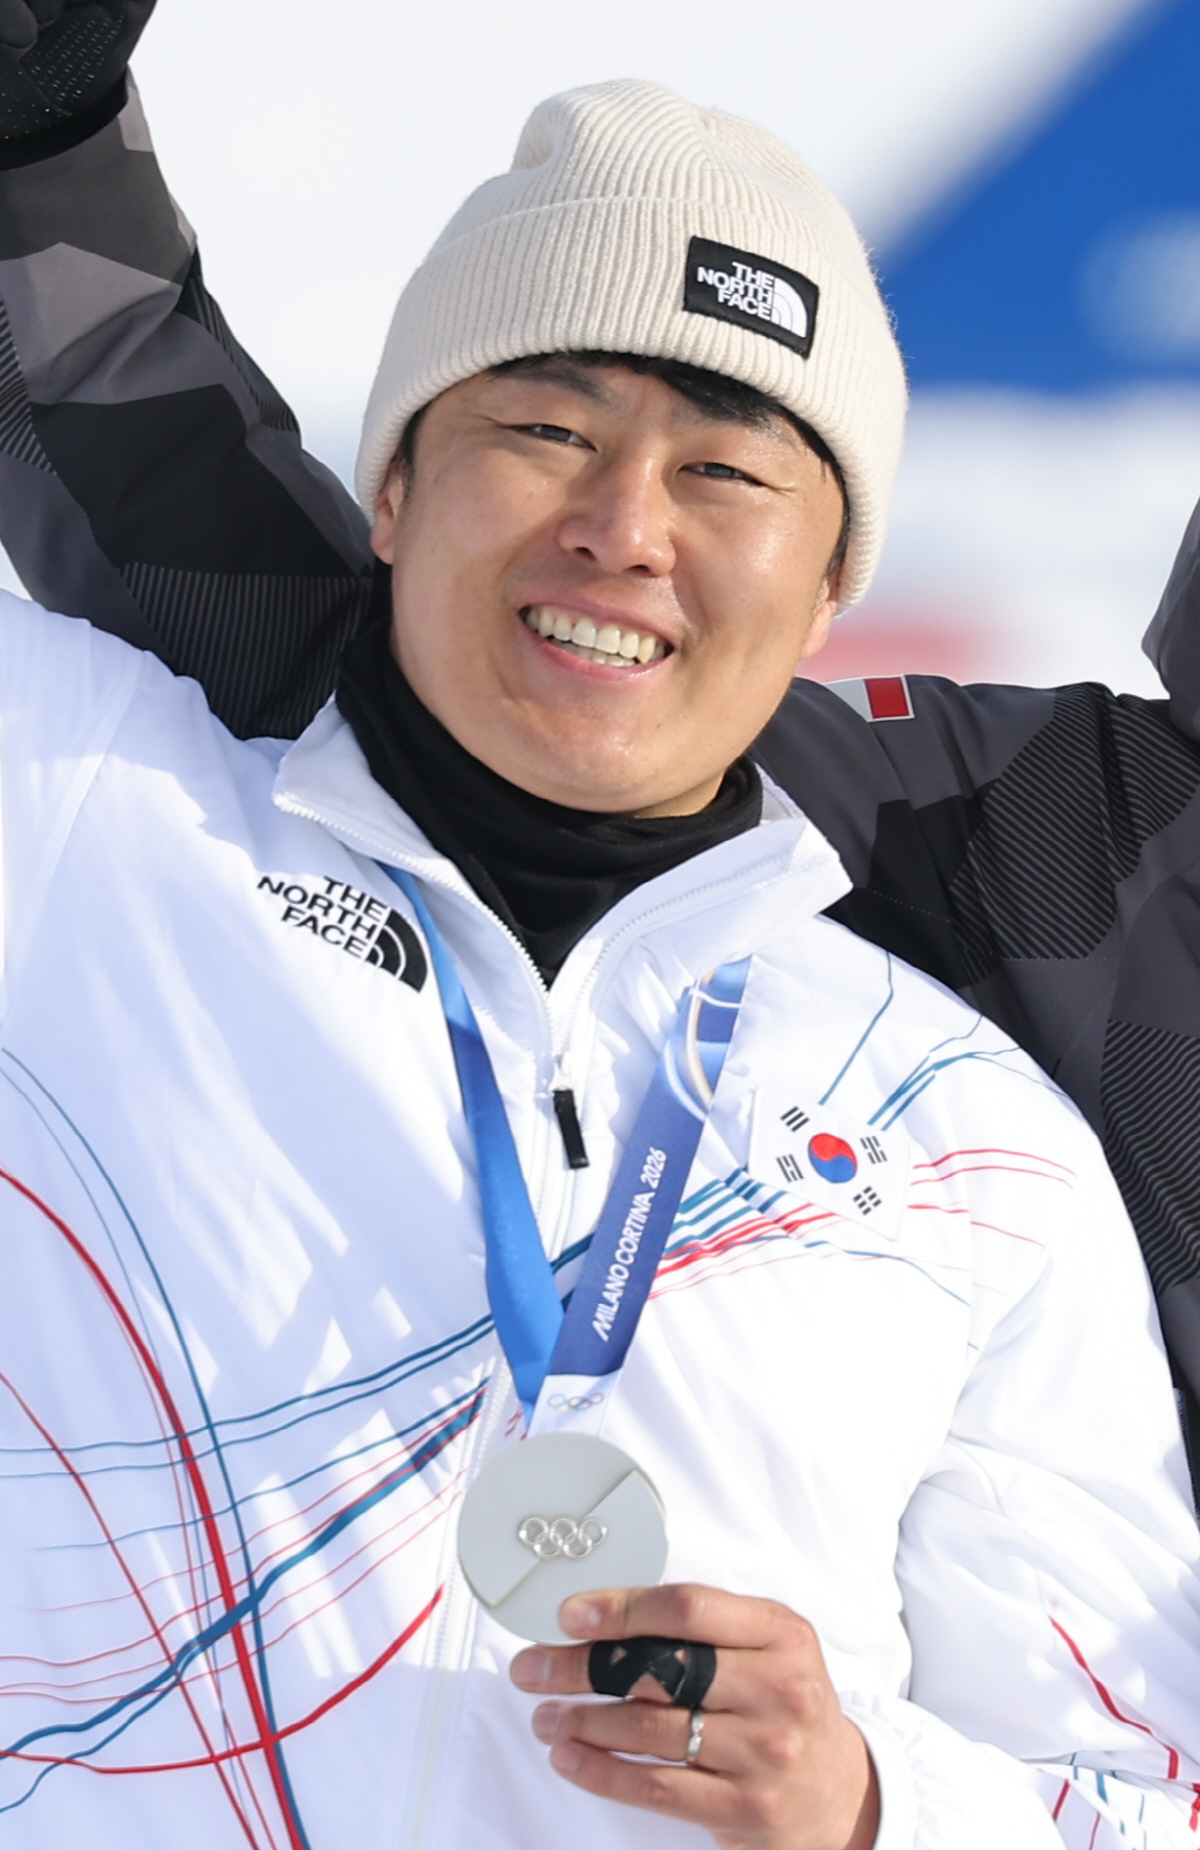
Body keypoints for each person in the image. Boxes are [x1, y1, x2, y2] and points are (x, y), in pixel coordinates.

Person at [1, 47, 1200, 1850]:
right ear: (390, 487)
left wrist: (875, 1801)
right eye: (548, 431)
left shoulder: (973, 1137)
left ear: (830, 590)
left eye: (726, 471)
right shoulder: (75, 811)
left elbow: (1140, 1796)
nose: (625, 527)